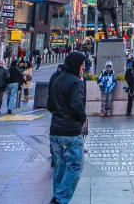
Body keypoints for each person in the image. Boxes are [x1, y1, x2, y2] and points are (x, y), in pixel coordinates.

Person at [47, 51, 87, 204]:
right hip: (71, 132)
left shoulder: (57, 80)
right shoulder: (76, 82)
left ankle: (57, 196)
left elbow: (50, 105)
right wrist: (82, 119)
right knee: (75, 167)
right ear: (77, 65)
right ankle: (60, 199)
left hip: (55, 131)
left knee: (60, 167)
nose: (83, 68)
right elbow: (77, 106)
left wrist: (59, 113)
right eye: (82, 65)